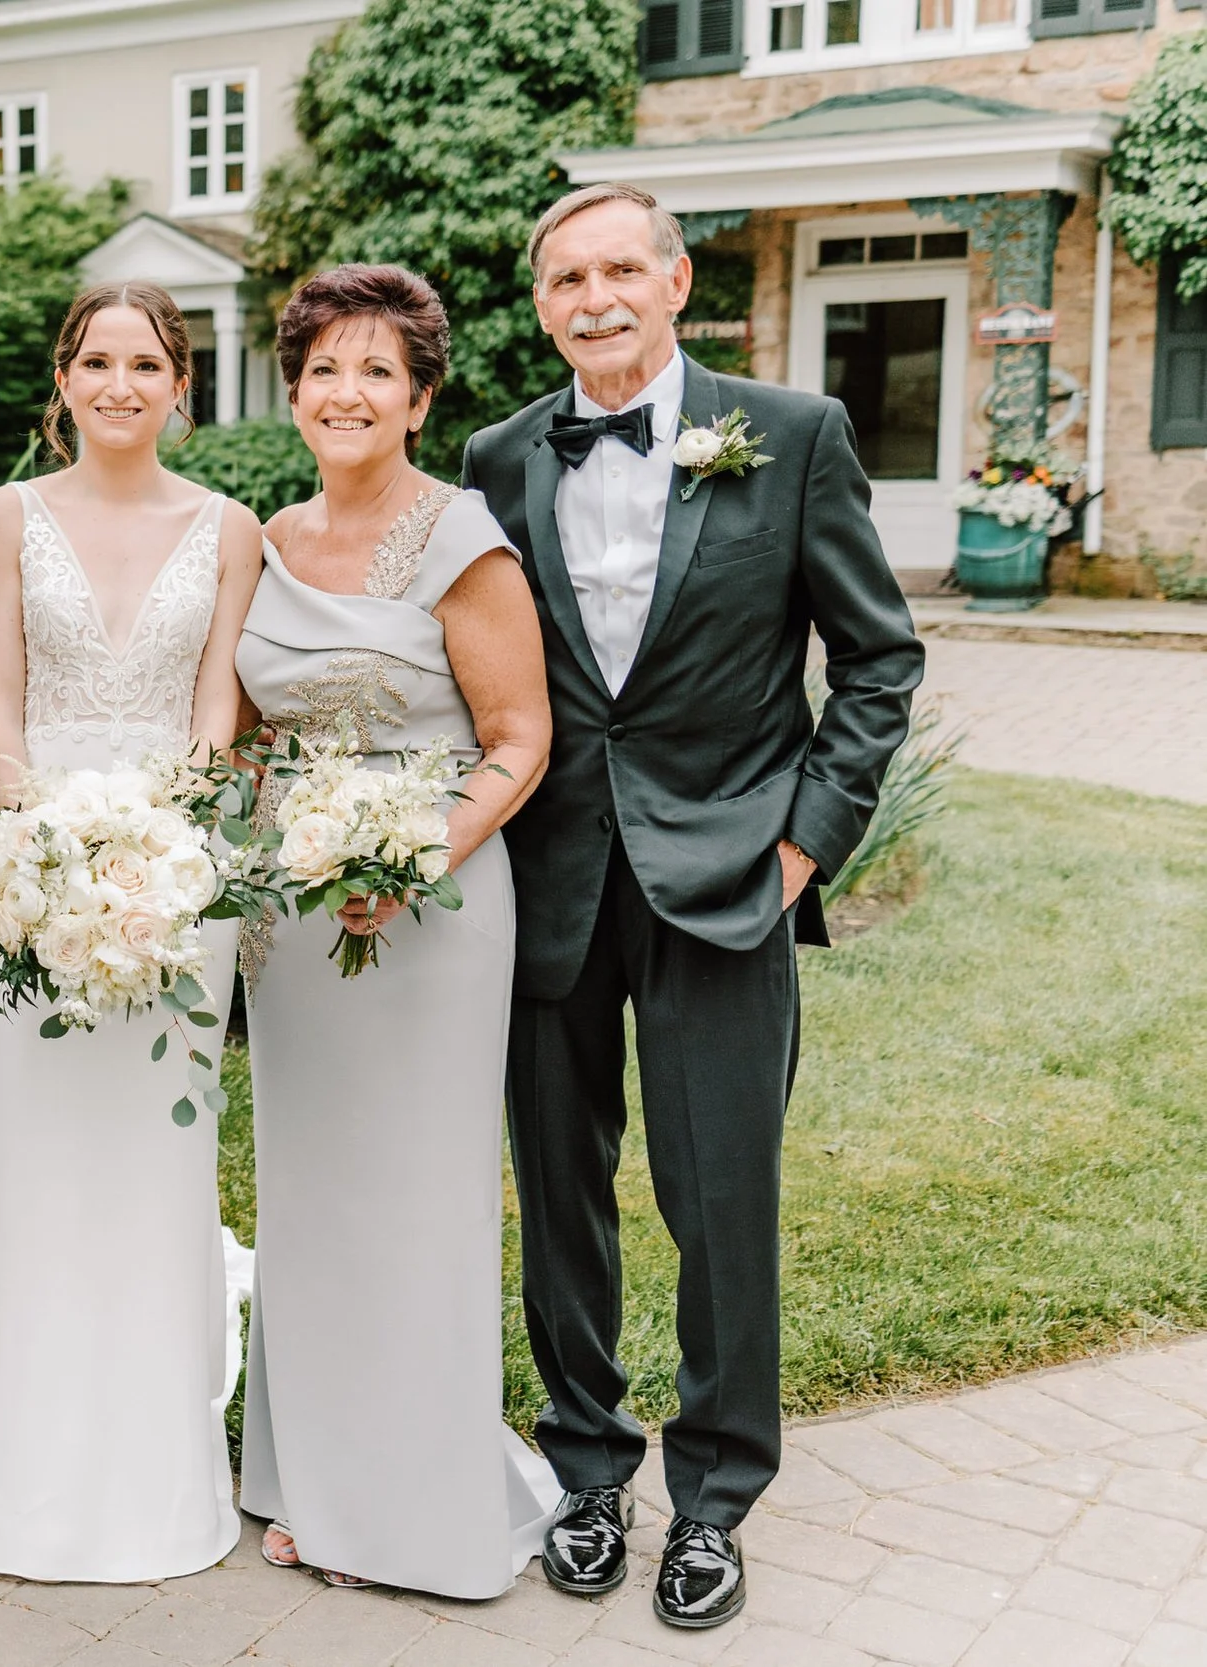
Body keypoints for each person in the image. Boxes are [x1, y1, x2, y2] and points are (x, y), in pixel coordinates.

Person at [461, 182, 923, 1629]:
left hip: (728, 878)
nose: (591, 298)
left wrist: (804, 850)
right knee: (560, 1192)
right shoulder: (497, 455)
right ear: (541, 302)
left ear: (674, 281)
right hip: (549, 883)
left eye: (618, 270)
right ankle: (588, 1467)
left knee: (722, 1198)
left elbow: (878, 659)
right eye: (563, 279)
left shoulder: (793, 436)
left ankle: (715, 1498)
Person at [0, 282, 265, 1583]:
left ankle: (148, 1446)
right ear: (64, 378)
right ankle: (14, 1442)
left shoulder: (230, 527)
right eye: (95, 360)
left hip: (177, 882)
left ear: (180, 383)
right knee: (34, 1144)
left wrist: (159, 860)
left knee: (156, 1159)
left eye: (144, 362)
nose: (119, 382)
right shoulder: (5, 518)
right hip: (32, 871)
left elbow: (219, 713)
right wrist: (50, 858)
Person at [234, 264, 559, 1599]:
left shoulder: (460, 541)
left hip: (429, 916)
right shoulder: (266, 537)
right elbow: (251, 732)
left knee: (415, 1197)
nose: (344, 392)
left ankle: (412, 1501)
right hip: (293, 927)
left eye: (376, 370)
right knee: (310, 1195)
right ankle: (311, 1473)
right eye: (322, 367)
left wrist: (414, 851)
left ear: (420, 397)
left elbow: (518, 738)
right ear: (294, 388)